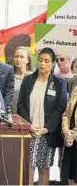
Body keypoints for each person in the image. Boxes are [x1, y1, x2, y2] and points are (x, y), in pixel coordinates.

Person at [17, 47, 67, 185]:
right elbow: (20, 105)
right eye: (40, 60)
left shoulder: (59, 82)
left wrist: (47, 128)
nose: (42, 64)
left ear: (52, 64)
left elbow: (60, 108)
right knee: (28, 168)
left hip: (47, 133)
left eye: (46, 61)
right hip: (29, 131)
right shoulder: (28, 80)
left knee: (44, 169)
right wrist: (30, 125)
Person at [61, 86, 77, 185]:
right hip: (71, 141)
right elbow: (66, 114)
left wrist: (73, 135)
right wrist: (66, 131)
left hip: (73, 137)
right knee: (70, 178)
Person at [11, 46, 33, 113]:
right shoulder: (9, 76)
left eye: (22, 57)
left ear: (28, 60)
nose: (18, 60)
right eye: (16, 56)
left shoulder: (33, 77)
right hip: (11, 116)